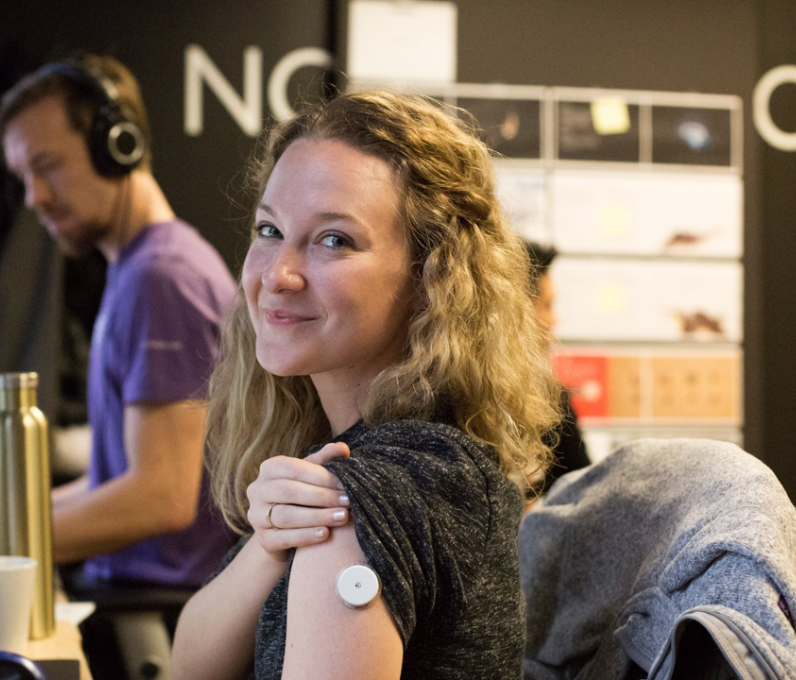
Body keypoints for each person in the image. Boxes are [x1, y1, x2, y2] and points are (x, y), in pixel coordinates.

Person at [171, 91, 563, 680]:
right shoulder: (362, 460)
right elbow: (188, 664)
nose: (278, 273)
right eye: (269, 229)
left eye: (335, 240)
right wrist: (267, 544)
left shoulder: (375, 491)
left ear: (433, 278)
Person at [0, 54, 236, 592]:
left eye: (46, 166)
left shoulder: (162, 277)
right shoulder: (139, 267)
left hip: (148, 611)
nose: (32, 198)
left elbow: (160, 497)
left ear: (118, 148)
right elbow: (116, 477)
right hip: (130, 590)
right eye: (23, 177)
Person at [523, 240, 591, 495]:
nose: (554, 320)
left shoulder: (550, 401)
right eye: (547, 306)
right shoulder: (463, 398)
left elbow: (583, 491)